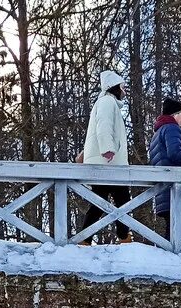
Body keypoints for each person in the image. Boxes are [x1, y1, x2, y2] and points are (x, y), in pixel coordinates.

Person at [78, 70, 131, 245]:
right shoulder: (108, 102)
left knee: (100, 202)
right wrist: (107, 149)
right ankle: (124, 238)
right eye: (122, 87)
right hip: (109, 163)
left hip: (105, 163)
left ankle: (85, 239)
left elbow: (97, 130)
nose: (124, 91)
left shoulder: (104, 103)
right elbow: (104, 126)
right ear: (115, 87)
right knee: (122, 201)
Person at [149, 97, 181, 239]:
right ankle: (165, 255)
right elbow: (175, 153)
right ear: (175, 115)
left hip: (164, 191)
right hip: (175, 188)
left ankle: (167, 257)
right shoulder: (172, 128)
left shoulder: (157, 133)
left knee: (172, 228)